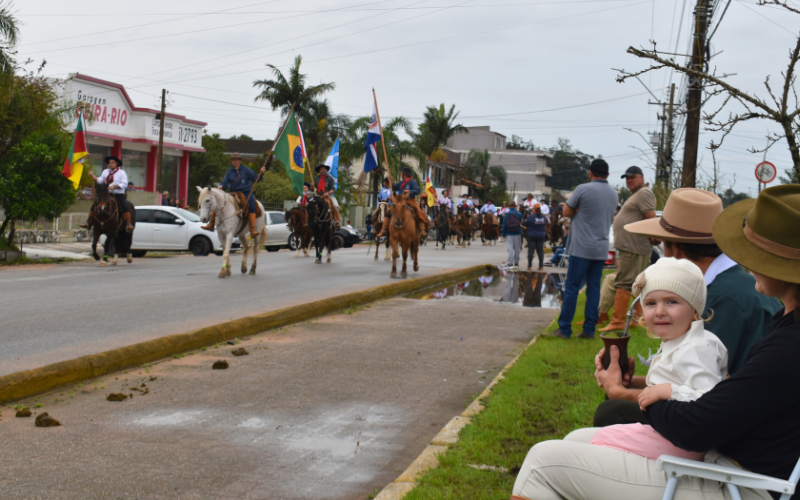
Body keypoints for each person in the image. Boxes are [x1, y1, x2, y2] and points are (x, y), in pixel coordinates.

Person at [511, 184, 800, 500]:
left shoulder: (784, 341)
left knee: (543, 461)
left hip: (743, 479)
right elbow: (731, 392)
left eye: (756, 254)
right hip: (732, 458)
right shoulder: (784, 325)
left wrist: (629, 393)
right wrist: (640, 384)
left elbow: (700, 422)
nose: (747, 262)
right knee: (575, 439)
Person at [593, 188, 782, 428]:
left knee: (612, 411)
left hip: (746, 425)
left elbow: (705, 397)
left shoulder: (722, 299)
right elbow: (689, 378)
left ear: (678, 253)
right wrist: (633, 382)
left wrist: (620, 391)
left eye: (663, 246)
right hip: (741, 408)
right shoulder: (725, 285)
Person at [588, 258, 728, 462]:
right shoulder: (680, 340)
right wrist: (631, 381)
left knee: (606, 423)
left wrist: (667, 391)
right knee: (610, 411)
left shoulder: (699, 348)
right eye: (651, 303)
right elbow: (678, 378)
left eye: (672, 301)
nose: (660, 311)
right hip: (669, 429)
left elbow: (708, 401)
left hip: (684, 444)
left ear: (695, 310)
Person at [550, 159, 618, 340]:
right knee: (593, 289)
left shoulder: (583, 189)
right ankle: (589, 330)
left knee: (571, 287)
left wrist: (577, 210)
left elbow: (566, 212)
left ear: (590, 173)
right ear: (608, 175)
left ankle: (564, 329)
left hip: (581, 247)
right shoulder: (613, 193)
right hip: (600, 248)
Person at [601, 166, 657, 332]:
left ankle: (618, 321)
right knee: (635, 283)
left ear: (641, 177)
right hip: (631, 246)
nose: (629, 180)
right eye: (627, 178)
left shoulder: (644, 193)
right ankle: (638, 319)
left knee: (624, 283)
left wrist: (654, 237)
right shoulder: (638, 194)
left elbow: (651, 218)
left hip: (634, 247)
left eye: (633, 177)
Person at [202, 153, 264, 235]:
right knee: (218, 202)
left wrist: (261, 173)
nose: (234, 161)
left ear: (239, 160)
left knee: (252, 206)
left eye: (236, 159)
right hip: (233, 192)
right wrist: (221, 186)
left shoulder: (246, 170)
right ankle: (211, 224)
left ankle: (252, 229)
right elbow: (224, 182)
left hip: (245, 192)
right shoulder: (229, 172)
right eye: (233, 159)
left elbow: (256, 179)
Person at [79, 156, 134, 232]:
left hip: (118, 194)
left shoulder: (122, 173)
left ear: (116, 164)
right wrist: (93, 176)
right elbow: (100, 181)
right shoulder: (105, 171)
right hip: (106, 194)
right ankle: (88, 222)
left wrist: (114, 186)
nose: (111, 164)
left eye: (112, 163)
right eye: (110, 163)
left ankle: (128, 224)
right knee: (95, 205)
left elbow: (124, 184)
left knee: (124, 206)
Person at [393, 167, 428, 235]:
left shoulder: (412, 182)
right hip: (401, 201)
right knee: (390, 210)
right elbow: (394, 187)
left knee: (420, 212)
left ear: (404, 174)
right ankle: (384, 229)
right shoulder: (401, 182)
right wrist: (389, 182)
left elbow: (418, 191)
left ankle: (423, 230)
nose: (401, 174)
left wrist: (410, 191)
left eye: (401, 173)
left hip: (411, 201)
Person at [314, 163, 341, 228]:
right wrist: (312, 186)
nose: (322, 170)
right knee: (309, 205)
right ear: (319, 171)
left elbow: (333, 189)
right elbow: (312, 190)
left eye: (324, 169)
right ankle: (309, 221)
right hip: (318, 196)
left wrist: (328, 193)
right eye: (321, 169)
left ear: (326, 170)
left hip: (328, 196)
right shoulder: (316, 179)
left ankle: (337, 221)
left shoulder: (330, 178)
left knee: (335, 205)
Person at [523, 203, 547, 271]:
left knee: (531, 250)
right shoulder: (543, 217)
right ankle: (541, 266)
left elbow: (526, 224)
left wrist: (524, 222)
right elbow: (545, 223)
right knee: (540, 251)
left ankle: (529, 266)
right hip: (541, 235)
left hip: (531, 235)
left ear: (534, 209)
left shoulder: (530, 217)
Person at [502, 201, 523, 271]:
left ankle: (510, 263)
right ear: (515, 206)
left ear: (509, 206)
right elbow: (520, 221)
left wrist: (503, 234)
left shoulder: (506, 214)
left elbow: (504, 225)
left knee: (510, 248)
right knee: (517, 249)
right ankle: (516, 263)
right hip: (517, 233)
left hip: (509, 233)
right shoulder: (519, 213)